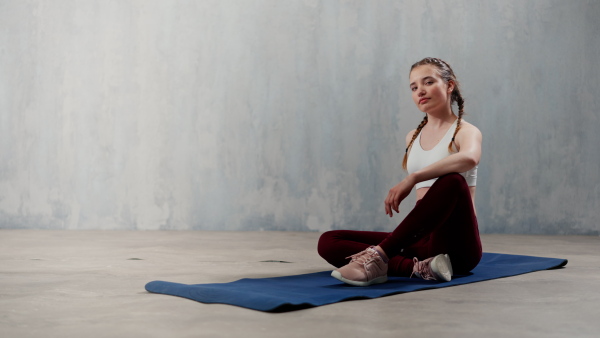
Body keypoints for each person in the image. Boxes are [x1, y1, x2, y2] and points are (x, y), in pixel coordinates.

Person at [317, 57, 483, 286]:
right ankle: (417, 268)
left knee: (453, 181)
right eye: (414, 87)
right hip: (422, 242)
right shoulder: (412, 137)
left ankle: (379, 257)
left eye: (428, 82)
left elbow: (469, 157)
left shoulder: (466, 131)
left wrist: (413, 177)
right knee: (329, 240)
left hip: (456, 243)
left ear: (449, 85)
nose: (420, 91)